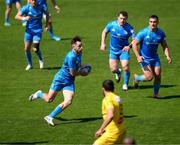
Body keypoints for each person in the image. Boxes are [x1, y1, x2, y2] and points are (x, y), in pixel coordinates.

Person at [29, 36, 88, 126]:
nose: (81, 47)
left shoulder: (79, 53)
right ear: (73, 46)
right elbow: (72, 73)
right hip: (60, 79)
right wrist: (82, 73)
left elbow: (78, 65)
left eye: (81, 45)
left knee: (68, 101)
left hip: (69, 81)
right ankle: (39, 94)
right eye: (79, 46)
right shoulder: (71, 56)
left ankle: (49, 117)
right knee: (49, 99)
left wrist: (84, 67)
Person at [132, 15, 172, 98]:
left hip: (155, 58)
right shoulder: (143, 32)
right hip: (144, 59)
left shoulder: (161, 33)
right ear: (149, 22)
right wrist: (138, 56)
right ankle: (137, 78)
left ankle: (155, 94)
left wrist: (168, 56)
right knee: (149, 77)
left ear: (157, 22)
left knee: (157, 76)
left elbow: (165, 46)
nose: (152, 23)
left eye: (154, 22)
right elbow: (134, 44)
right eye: (151, 22)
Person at [100, 11, 135, 91]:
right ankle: (118, 72)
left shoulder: (130, 28)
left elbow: (135, 40)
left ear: (127, 19)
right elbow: (104, 32)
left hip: (124, 51)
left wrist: (129, 46)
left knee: (125, 67)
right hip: (113, 51)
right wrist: (103, 43)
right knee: (113, 69)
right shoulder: (111, 25)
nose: (122, 20)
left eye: (124, 19)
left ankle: (125, 84)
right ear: (117, 17)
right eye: (121, 18)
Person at [15, 0, 49, 70]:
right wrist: (24, 18)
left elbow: (47, 14)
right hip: (28, 31)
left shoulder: (41, 7)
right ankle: (30, 64)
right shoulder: (26, 8)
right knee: (27, 49)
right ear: (29, 1)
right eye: (32, 0)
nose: (33, 1)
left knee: (35, 48)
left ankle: (41, 60)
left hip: (38, 31)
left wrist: (46, 25)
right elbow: (16, 16)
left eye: (35, 0)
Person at [93, 80, 126, 145]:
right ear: (113, 88)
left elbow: (110, 115)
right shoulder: (117, 97)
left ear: (103, 88)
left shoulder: (107, 99)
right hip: (122, 132)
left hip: (112, 133)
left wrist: (101, 130)